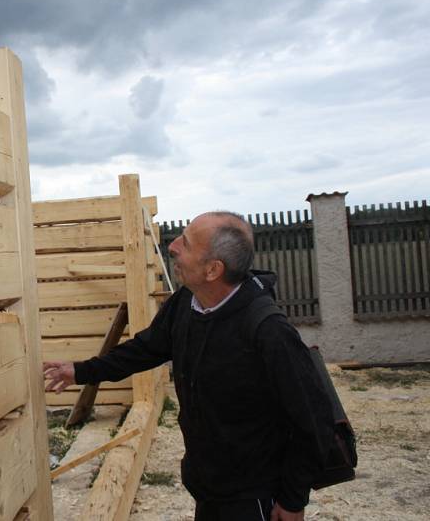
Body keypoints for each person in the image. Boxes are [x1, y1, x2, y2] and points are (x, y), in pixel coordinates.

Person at [43, 211, 335, 521]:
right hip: (208, 486)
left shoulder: (268, 330)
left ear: (213, 270)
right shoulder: (186, 303)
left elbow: (313, 421)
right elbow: (144, 349)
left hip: (255, 497)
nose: (173, 247)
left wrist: (292, 500)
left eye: (186, 243)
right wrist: (79, 371)